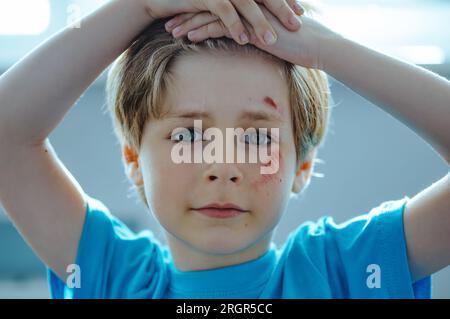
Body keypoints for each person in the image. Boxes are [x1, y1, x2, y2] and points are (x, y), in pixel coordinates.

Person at [0, 0, 448, 298]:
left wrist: (325, 49)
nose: (222, 167)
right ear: (134, 161)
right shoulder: (111, 275)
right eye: (188, 135)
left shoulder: (344, 272)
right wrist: (141, 6)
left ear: (302, 166)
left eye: (256, 139)